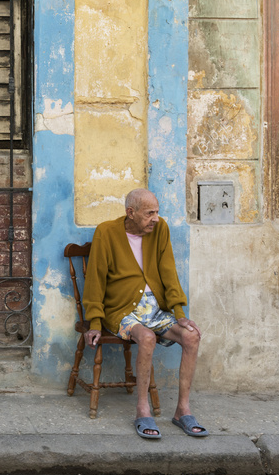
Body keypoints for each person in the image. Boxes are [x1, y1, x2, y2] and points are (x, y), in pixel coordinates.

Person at [82, 188, 208, 440]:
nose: (156, 219)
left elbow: (168, 271)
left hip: (155, 309)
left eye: (157, 212)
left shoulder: (160, 230)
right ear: (131, 212)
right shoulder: (106, 232)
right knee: (147, 337)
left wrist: (179, 312)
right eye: (150, 213)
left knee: (191, 336)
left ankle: (182, 410)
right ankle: (142, 410)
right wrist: (94, 322)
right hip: (121, 310)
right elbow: (95, 279)